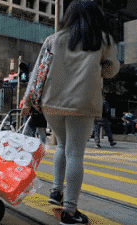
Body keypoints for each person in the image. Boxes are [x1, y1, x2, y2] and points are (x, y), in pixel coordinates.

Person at [21, 1, 120, 224]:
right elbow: (111, 69)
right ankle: (70, 212)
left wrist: (27, 100)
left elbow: (38, 71)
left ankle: (56, 192)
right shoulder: (103, 39)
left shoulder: (53, 39)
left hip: (51, 103)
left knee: (62, 147)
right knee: (75, 153)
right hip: (82, 104)